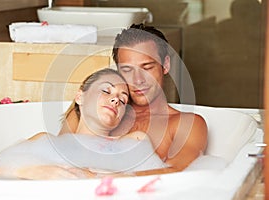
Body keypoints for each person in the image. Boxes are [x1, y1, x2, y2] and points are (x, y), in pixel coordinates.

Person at [0, 68, 168, 179]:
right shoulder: (45, 143)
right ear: (80, 97)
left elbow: (154, 183)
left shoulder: (132, 143)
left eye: (122, 100)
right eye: (106, 91)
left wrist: (88, 176)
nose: (115, 100)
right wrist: (26, 170)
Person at [61, 24, 208, 174]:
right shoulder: (94, 109)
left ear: (165, 65)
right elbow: (57, 159)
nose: (138, 80)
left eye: (147, 67)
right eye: (127, 70)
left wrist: (108, 180)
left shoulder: (184, 124)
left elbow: (176, 172)